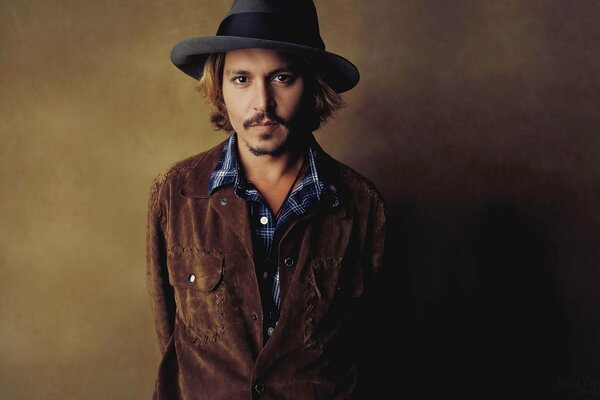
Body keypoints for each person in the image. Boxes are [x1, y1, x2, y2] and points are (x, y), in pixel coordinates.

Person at [146, 1, 387, 398]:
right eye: (241, 79)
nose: (262, 103)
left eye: (282, 77)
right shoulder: (176, 193)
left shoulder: (360, 205)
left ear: (312, 86)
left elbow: (370, 347)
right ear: (219, 87)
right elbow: (171, 340)